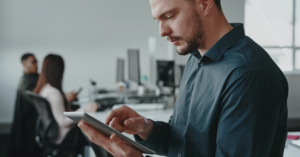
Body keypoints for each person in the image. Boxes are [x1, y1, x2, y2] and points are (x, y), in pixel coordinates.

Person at [79, 0, 288, 157]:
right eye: (158, 20)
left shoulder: (247, 76)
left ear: (205, 3)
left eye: (169, 16)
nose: (162, 31)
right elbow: (184, 142)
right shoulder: (196, 57)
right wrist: (146, 128)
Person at [32, 54, 98, 151]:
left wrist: (65, 99)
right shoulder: (54, 93)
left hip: (51, 134)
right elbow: (63, 122)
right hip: (63, 136)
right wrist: (85, 110)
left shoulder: (45, 89)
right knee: (96, 133)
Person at [8, 53, 42, 157]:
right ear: (24, 63)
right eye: (33, 62)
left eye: (37, 62)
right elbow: (36, 99)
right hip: (30, 121)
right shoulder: (24, 82)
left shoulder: (37, 77)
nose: (37, 64)